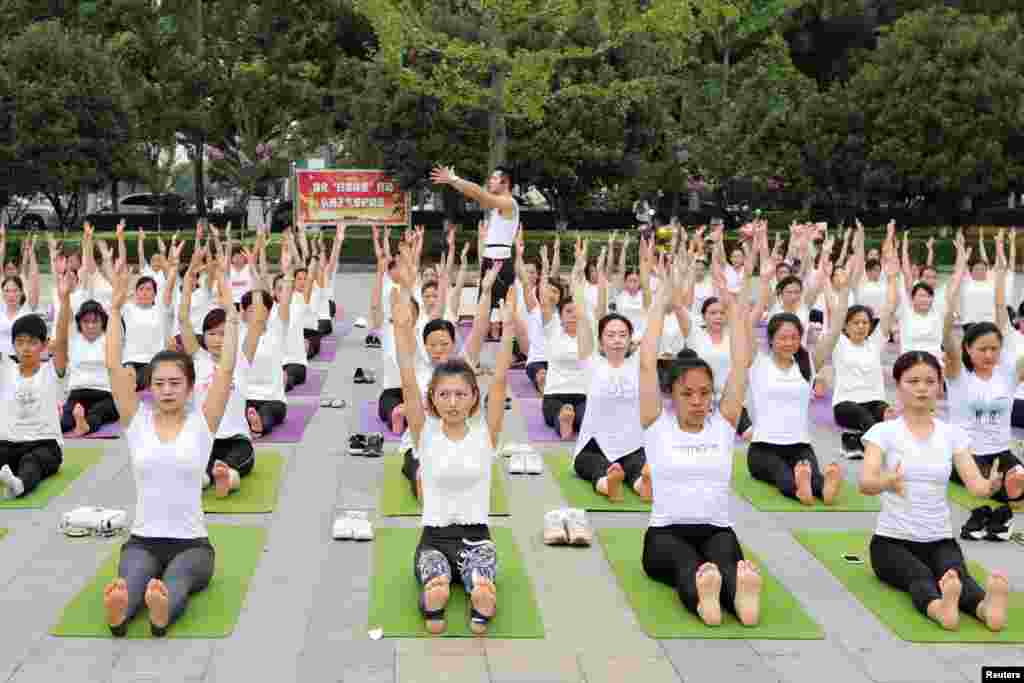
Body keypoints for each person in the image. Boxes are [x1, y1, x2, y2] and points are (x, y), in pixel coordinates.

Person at [101, 257, 238, 637]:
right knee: (132, 576)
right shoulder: (136, 422)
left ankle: (161, 612)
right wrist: (115, 309)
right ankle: (121, 611)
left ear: (190, 387)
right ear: (150, 387)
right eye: (159, 383)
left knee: (175, 581)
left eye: (175, 383)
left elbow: (225, 370)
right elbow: (114, 367)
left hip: (192, 544)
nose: (166, 390)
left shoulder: (202, 423)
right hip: (142, 539)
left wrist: (232, 312)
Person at [392, 242, 513, 636]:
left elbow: (499, 383)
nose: (453, 401)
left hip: (479, 537)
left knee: (480, 580)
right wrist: (399, 329)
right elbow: (408, 379)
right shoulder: (424, 433)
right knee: (436, 579)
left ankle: (480, 599)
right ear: (433, 400)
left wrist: (508, 330)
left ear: (473, 397)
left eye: (461, 394)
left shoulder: (486, 434)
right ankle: (437, 597)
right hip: (433, 539)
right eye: (444, 394)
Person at [638, 255, 762, 626]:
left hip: (716, 528)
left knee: (725, 564)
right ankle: (706, 600)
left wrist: (734, 307)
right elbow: (646, 362)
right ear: (671, 394)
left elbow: (740, 363)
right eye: (687, 393)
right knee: (689, 567)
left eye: (705, 393)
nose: (697, 401)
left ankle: (740, 601)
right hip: (665, 534)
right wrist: (660, 301)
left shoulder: (723, 424)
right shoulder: (656, 425)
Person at [859, 351, 1009, 632]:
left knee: (957, 575)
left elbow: (976, 486)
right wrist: (887, 481)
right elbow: (865, 482)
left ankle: (984, 608)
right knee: (920, 576)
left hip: (940, 538)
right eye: (912, 381)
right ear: (898, 385)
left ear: (940, 387)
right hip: (891, 542)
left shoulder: (951, 434)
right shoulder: (883, 432)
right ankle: (939, 609)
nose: (921, 388)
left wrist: (991, 485)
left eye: (929, 381)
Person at [942, 229, 1024, 538]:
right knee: (988, 485)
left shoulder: (1008, 373)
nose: (989, 354)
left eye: (994, 348)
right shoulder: (958, 375)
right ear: (968, 349)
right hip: (965, 455)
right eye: (982, 349)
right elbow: (948, 340)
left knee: (1017, 480)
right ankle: (987, 515)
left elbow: (1003, 311)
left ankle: (994, 517)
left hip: (1000, 451)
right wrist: (949, 313)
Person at [564, 238, 648, 502]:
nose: (616, 339)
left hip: (632, 441)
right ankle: (607, 483)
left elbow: (651, 309)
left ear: (630, 339)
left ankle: (641, 485)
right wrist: (578, 268)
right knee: (589, 465)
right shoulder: (591, 362)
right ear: (601, 341)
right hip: (595, 442)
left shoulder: (639, 365)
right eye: (610, 335)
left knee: (637, 466)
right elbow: (580, 313)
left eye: (622, 334)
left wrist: (648, 268)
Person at [745, 303, 844, 505]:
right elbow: (745, 326)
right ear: (770, 340)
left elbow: (834, 333)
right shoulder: (758, 363)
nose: (789, 343)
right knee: (782, 474)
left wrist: (842, 291)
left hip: (800, 444)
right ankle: (801, 490)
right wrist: (760, 284)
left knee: (813, 476)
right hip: (763, 448)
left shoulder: (807, 363)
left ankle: (824, 489)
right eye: (782, 338)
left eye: (794, 338)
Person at [179, 247, 254, 498]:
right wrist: (190, 276)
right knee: (194, 470)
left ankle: (224, 477)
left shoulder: (239, 360)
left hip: (236, 439)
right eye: (211, 333)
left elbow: (233, 316)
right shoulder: (198, 359)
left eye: (223, 334)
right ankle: (206, 476)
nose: (217, 339)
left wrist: (222, 276)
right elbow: (182, 320)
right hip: (204, 437)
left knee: (232, 467)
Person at [815, 239, 898, 458]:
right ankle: (865, 445)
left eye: (865, 322)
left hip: (875, 402)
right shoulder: (838, 342)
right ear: (846, 325)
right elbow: (835, 308)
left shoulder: (875, 342)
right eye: (856, 322)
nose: (861, 326)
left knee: (890, 418)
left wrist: (891, 279)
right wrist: (825, 273)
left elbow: (889, 308)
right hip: (846, 405)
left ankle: (853, 441)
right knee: (867, 421)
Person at [0, 273, 72, 499]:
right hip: (9, 443)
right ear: (13, 345)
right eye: (20, 342)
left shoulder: (51, 372)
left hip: (45, 445)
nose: (26, 348)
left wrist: (65, 299)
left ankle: (19, 484)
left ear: (43, 345)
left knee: (31, 462)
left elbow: (61, 340)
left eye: (32, 342)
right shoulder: (6, 369)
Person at [431, 164, 519, 339]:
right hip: (491, 259)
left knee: (503, 313)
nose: (490, 181)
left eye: (494, 178)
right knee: (483, 312)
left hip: (500, 262)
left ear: (505, 182)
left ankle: (514, 351)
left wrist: (454, 180)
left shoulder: (508, 203)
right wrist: (453, 183)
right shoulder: (497, 204)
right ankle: (477, 358)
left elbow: (479, 193)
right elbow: (476, 194)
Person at [539, 243, 589, 440]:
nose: (573, 315)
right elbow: (545, 300)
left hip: (582, 394)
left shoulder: (588, 334)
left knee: (588, 418)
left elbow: (580, 291)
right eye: (568, 312)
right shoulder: (553, 331)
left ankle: (569, 420)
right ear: (560, 316)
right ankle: (564, 421)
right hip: (555, 393)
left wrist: (579, 264)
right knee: (556, 413)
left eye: (576, 312)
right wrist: (544, 267)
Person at [61, 300, 119, 436]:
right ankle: (75, 420)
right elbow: (65, 317)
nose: (91, 326)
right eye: (86, 322)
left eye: (95, 321)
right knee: (65, 422)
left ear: (103, 322)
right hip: (78, 393)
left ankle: (84, 425)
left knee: (98, 413)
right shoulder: (73, 339)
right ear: (79, 323)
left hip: (104, 394)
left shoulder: (110, 339)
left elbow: (116, 309)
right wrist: (65, 295)